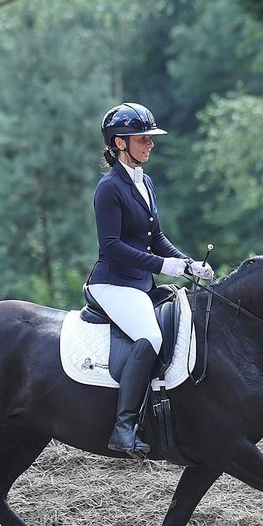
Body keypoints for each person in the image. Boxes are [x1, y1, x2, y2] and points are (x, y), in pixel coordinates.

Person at [86, 102, 214, 457]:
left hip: (140, 284)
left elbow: (155, 237)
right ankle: (123, 427)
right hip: (113, 283)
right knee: (150, 335)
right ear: (120, 143)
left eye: (150, 138)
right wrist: (164, 266)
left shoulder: (146, 182)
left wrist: (186, 263)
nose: (150, 144)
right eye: (143, 138)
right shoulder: (108, 188)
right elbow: (111, 247)